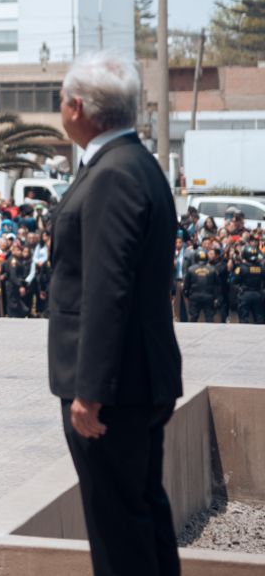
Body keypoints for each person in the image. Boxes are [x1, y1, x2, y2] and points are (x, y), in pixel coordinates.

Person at [48, 51, 182, 576]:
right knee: (142, 514)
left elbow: (108, 289)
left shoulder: (112, 175)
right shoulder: (136, 162)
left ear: (76, 107)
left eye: (62, 99)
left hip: (115, 388)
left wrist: (90, 391)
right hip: (137, 378)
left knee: (118, 532)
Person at [232, 246, 264, 325]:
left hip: (245, 294)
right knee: (259, 318)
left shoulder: (241, 268)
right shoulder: (262, 267)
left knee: (243, 318)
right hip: (258, 294)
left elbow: (235, 281)